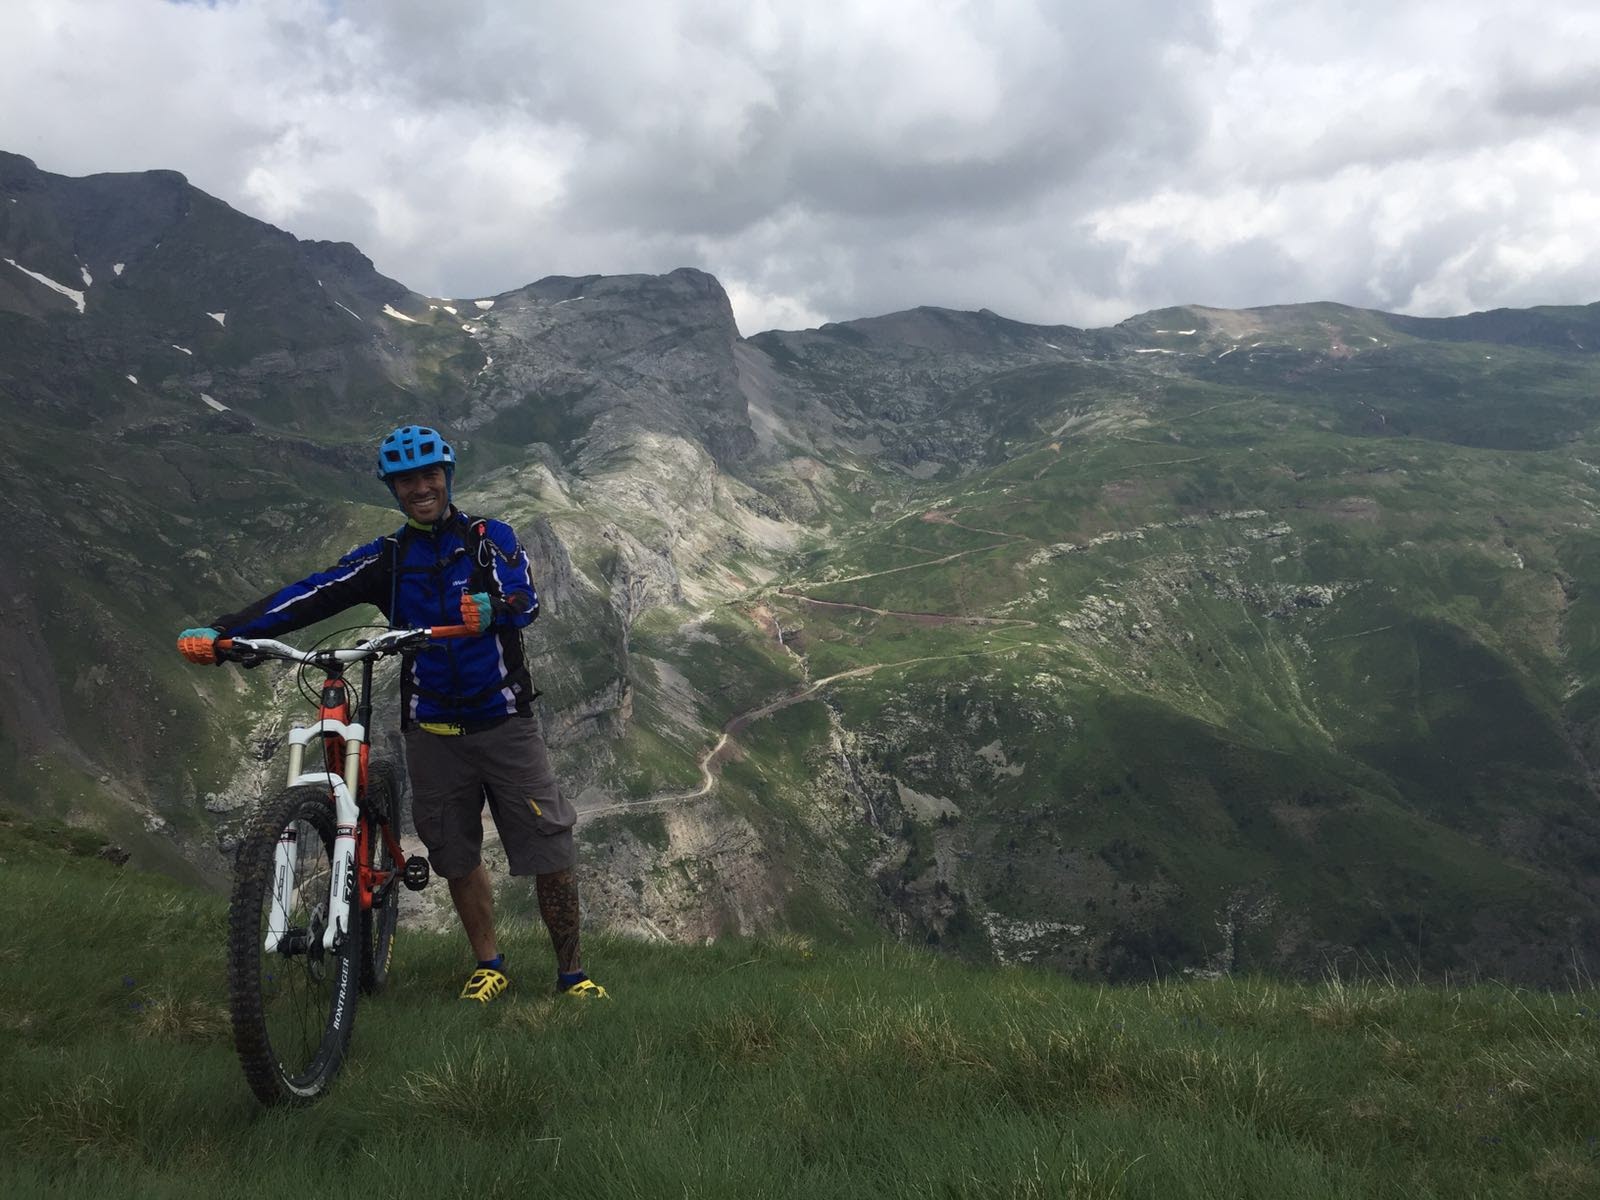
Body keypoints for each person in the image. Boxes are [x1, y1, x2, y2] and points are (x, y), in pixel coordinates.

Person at [177, 424, 606, 1003]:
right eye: (407, 480)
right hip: (431, 730)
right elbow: (312, 593)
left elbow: (525, 598)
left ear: (447, 477)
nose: (421, 487)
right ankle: (489, 965)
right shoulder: (389, 559)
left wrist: (496, 608)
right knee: (455, 855)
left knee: (550, 849)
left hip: (504, 721)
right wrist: (227, 630)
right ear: (393, 489)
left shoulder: (488, 538)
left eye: (430, 475)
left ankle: (572, 975)